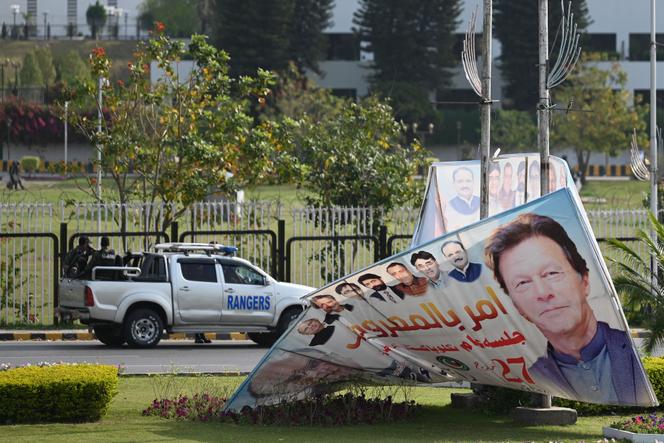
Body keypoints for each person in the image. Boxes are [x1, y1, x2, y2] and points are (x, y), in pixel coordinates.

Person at [484, 213, 651, 405]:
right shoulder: (534, 376)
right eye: (522, 283)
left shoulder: (631, 354)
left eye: (552, 273)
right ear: (518, 307)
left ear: (584, 280)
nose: (543, 293)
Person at [443, 167, 480, 232]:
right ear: (454, 184)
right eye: (460, 181)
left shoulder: (482, 202)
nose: (465, 185)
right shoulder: (448, 208)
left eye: (468, 181)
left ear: (473, 182)